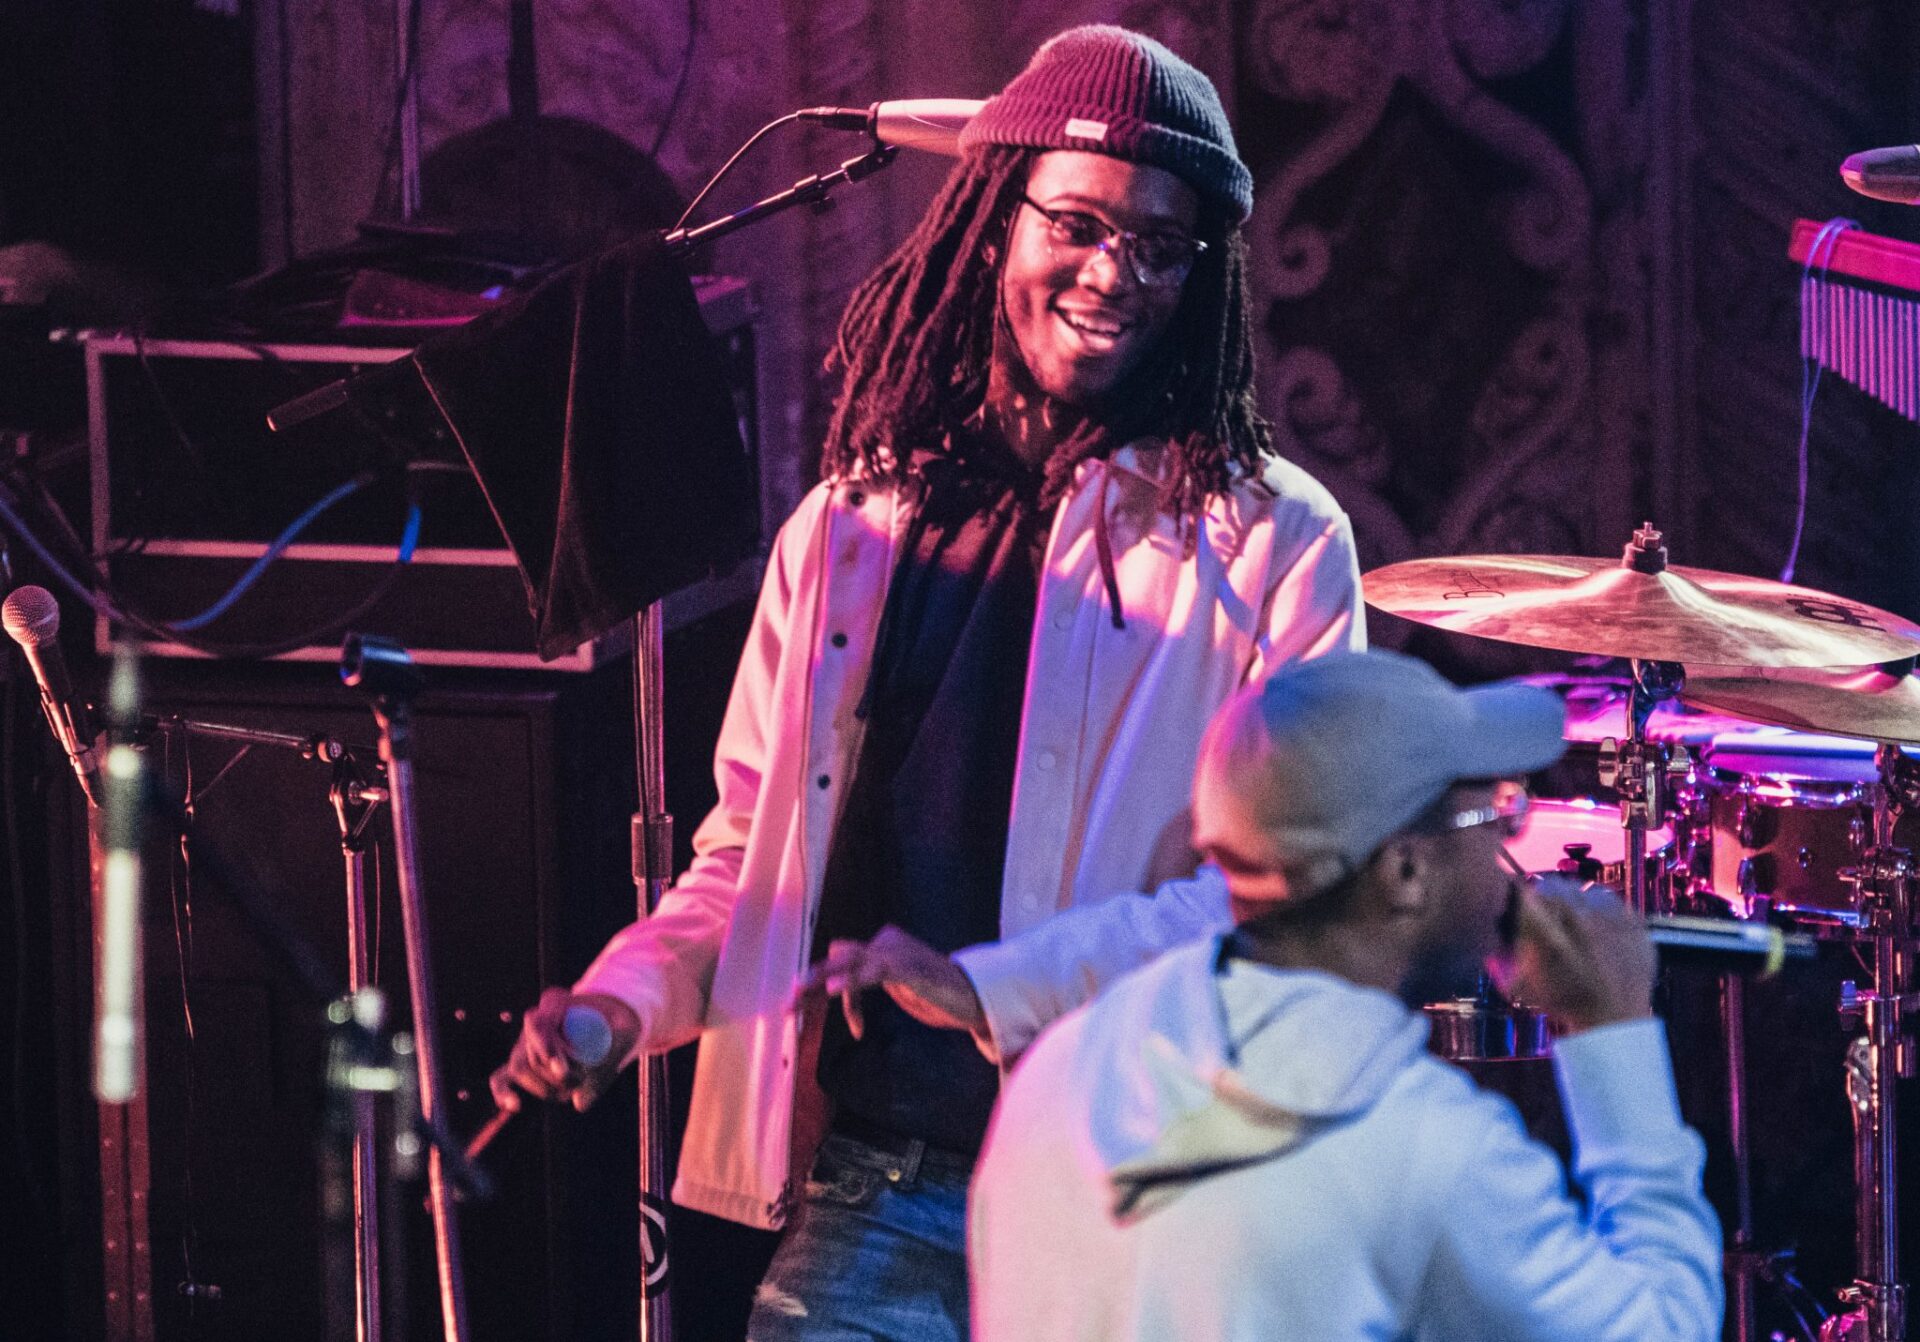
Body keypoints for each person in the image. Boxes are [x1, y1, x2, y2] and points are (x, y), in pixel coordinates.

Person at [493, 24, 1363, 1339]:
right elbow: (755, 859)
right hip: (882, 1192)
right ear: (996, 219)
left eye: (1160, 245)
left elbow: (1291, 908)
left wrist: (989, 986)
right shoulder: (854, 530)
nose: (1114, 273)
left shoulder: (1276, 542)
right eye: (1078, 224)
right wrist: (622, 1003)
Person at [969, 649, 1723, 1342]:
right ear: (1405, 872)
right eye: (1496, 818)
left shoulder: (1063, 1067)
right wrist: (1611, 1028)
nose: (1506, 857)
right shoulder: (1426, 1151)